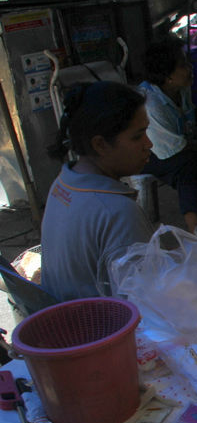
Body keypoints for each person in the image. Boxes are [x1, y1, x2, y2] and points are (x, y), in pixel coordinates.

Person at [41, 81, 155, 301]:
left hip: (60, 319)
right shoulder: (118, 212)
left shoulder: (64, 182)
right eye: (137, 136)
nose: (148, 143)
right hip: (95, 332)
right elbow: (142, 307)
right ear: (100, 145)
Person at [139, 37, 197, 233]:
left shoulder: (181, 90)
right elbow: (176, 147)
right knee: (188, 164)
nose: (190, 68)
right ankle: (195, 227)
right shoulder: (152, 104)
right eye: (183, 65)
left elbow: (188, 127)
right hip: (148, 153)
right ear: (167, 76)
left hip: (172, 144)